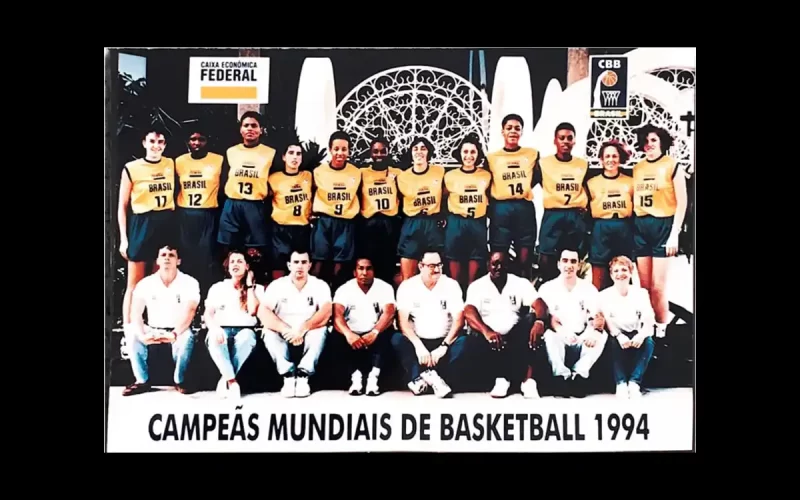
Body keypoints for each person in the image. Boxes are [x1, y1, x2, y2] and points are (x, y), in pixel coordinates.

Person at [464, 251, 547, 398]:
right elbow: (469, 311)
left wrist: (539, 322)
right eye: (495, 264)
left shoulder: (520, 283)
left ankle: (526, 381)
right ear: (488, 265)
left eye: (503, 264)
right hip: (490, 338)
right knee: (471, 342)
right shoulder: (477, 286)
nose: (499, 268)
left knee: (531, 319)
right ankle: (504, 379)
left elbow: (540, 304)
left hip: (515, 337)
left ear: (508, 265)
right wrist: (487, 331)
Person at [633, 124, 688, 338]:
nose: (649, 145)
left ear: (662, 142)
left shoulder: (672, 165)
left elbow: (682, 203)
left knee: (658, 286)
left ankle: (662, 330)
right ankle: (648, 329)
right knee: (644, 286)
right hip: (641, 225)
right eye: (646, 141)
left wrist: (675, 233)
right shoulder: (638, 168)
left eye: (653, 140)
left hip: (663, 225)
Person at [122, 245, 200, 396]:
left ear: (178, 261)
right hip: (152, 329)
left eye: (171, 255)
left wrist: (174, 334)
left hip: (177, 330)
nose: (167, 258)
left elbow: (190, 311)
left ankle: (180, 380)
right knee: (132, 332)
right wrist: (142, 335)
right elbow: (136, 313)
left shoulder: (190, 282)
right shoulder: (145, 283)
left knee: (187, 338)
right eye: (163, 255)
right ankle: (141, 381)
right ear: (157, 260)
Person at [118, 126, 176, 330]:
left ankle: (156, 327)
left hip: (165, 222)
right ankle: (129, 330)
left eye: (160, 142)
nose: (156, 146)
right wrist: (124, 239)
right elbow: (122, 206)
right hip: (142, 223)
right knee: (134, 283)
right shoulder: (131, 168)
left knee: (160, 281)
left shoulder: (170, 164)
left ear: (165, 145)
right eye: (152, 141)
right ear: (144, 143)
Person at [257, 250, 332, 398]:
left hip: (308, 330)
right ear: (289, 265)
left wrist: (303, 329)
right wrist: (285, 330)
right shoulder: (277, 285)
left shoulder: (319, 285)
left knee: (320, 331)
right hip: (284, 331)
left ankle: (304, 374)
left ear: (310, 265)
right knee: (268, 332)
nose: (300, 266)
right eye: (296, 262)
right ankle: (288, 375)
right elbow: (263, 311)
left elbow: (326, 311)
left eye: (304, 262)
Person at [391, 250, 466, 397]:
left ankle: (431, 377)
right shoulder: (408, 286)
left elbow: (459, 320)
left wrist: (444, 346)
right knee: (397, 339)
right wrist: (418, 346)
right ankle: (422, 378)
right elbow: (403, 322)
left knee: (464, 342)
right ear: (421, 266)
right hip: (419, 341)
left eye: (439, 265)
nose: (436, 269)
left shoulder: (451, 285)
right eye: (431, 266)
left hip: (444, 341)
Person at [538, 247, 605, 398]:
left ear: (579, 265)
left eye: (573, 261)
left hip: (581, 336)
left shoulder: (588, 289)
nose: (569, 265)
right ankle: (561, 377)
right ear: (558, 264)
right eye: (565, 261)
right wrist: (563, 332)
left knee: (602, 336)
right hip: (560, 335)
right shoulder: (547, 288)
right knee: (549, 336)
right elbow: (549, 318)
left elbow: (596, 316)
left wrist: (593, 332)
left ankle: (579, 376)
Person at [216, 111, 276, 269]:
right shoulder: (231, 151)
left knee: (255, 252)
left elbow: (276, 180)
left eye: (254, 125)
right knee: (228, 248)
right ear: (241, 129)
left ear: (261, 129)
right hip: (232, 204)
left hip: (255, 205)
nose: (250, 129)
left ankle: (253, 280)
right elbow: (222, 178)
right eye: (246, 125)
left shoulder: (270, 153)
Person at [174, 125, 223, 308]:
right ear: (187, 141)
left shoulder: (218, 160)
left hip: (208, 214)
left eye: (201, 139)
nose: (196, 143)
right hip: (185, 214)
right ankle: (187, 302)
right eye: (193, 139)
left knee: (207, 259)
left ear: (207, 141)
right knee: (187, 258)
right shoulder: (179, 161)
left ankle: (206, 303)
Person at [332, 256, 397, 396]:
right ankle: (356, 379)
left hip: (374, 332)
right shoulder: (344, 289)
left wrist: (375, 332)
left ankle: (373, 378)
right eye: (360, 268)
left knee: (388, 333)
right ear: (354, 272)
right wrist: (349, 334)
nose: (364, 273)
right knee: (336, 335)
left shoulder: (384, 287)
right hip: (352, 334)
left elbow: (389, 312)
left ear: (374, 271)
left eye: (368, 269)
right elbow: (337, 316)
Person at [485, 114, 539, 279]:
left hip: (523, 207)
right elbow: (485, 183)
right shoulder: (492, 157)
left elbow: (538, 177)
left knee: (525, 258)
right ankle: (499, 290)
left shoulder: (531, 154)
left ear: (522, 132)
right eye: (509, 128)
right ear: (502, 131)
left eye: (517, 128)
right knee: (498, 258)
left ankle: (525, 291)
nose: (513, 131)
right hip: (501, 208)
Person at [203, 250, 262, 399]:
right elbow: (208, 314)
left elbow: (253, 311)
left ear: (247, 266)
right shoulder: (217, 288)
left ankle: (225, 378)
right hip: (221, 328)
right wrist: (215, 328)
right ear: (227, 266)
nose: (235, 264)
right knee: (215, 339)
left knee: (246, 338)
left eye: (240, 261)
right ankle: (232, 382)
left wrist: (249, 286)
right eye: (232, 261)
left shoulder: (257, 289)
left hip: (246, 330)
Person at [537, 123, 590, 283]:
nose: (565, 141)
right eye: (562, 138)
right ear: (555, 140)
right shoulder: (544, 163)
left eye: (569, 138)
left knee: (574, 256)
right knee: (547, 255)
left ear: (574, 141)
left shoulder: (582, 164)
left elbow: (589, 188)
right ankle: (547, 288)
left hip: (575, 214)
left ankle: (572, 289)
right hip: (553, 213)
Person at [599, 256, 656, 399]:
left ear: (631, 272)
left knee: (649, 342)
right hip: (617, 335)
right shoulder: (604, 295)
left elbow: (649, 318)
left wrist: (641, 335)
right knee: (612, 343)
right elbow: (608, 322)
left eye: (624, 270)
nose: (620, 274)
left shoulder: (641, 293)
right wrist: (619, 336)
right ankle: (621, 383)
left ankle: (635, 382)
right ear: (611, 274)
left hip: (635, 333)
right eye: (616, 271)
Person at [310, 131, 362, 288]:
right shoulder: (319, 171)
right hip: (324, 221)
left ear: (349, 151)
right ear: (330, 150)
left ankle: (337, 293)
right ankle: (315, 293)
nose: (340, 153)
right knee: (318, 261)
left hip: (345, 222)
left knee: (340, 265)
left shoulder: (356, 172)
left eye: (344, 149)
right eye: (336, 149)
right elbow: (310, 192)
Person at [443, 134, 492, 286]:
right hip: (456, 221)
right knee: (454, 257)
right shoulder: (450, 175)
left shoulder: (486, 175)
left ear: (478, 154)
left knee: (476, 258)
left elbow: (490, 197)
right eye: (465, 152)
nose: (469, 156)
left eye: (472, 152)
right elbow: (443, 197)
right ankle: (456, 292)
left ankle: (472, 292)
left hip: (477, 221)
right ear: (459, 153)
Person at [586, 141, 635, 290]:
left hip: (623, 227)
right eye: (607, 156)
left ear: (620, 159)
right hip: (601, 228)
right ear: (601, 159)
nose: (611, 160)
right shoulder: (591, 183)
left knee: (623, 274)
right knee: (599, 278)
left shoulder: (630, 182)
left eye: (614, 156)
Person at [396, 137, 446, 281]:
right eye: (415, 148)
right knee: (407, 277)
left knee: (433, 273)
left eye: (423, 148)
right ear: (411, 152)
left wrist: (443, 215)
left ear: (428, 152)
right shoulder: (402, 177)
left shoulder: (439, 171)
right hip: (412, 223)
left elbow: (446, 194)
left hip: (432, 223)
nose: (419, 152)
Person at [357, 136, 403, 285]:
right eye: (375, 151)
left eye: (383, 151)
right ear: (370, 153)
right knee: (370, 263)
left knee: (388, 264)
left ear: (388, 152)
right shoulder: (362, 173)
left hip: (390, 223)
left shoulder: (397, 173)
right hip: (369, 224)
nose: (379, 154)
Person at [268, 140, 313, 280]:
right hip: (281, 229)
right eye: (291, 153)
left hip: (302, 228)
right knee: (279, 264)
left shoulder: (308, 176)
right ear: (284, 156)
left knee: (301, 266)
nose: (295, 157)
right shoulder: (274, 178)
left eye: (298, 154)